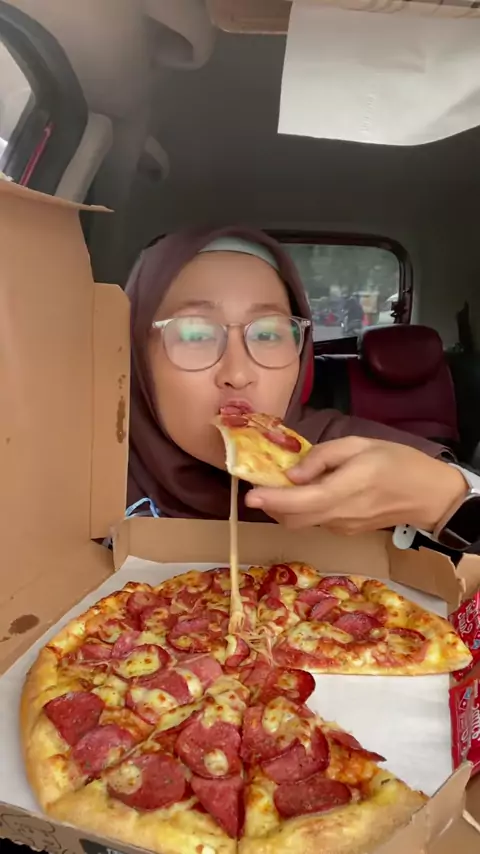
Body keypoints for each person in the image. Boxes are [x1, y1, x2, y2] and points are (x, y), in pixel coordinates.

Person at [126, 227, 473, 544]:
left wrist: (444, 500)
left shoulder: (340, 451)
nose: (239, 373)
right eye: (195, 334)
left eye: (267, 334)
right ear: (136, 353)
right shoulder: (99, 465)